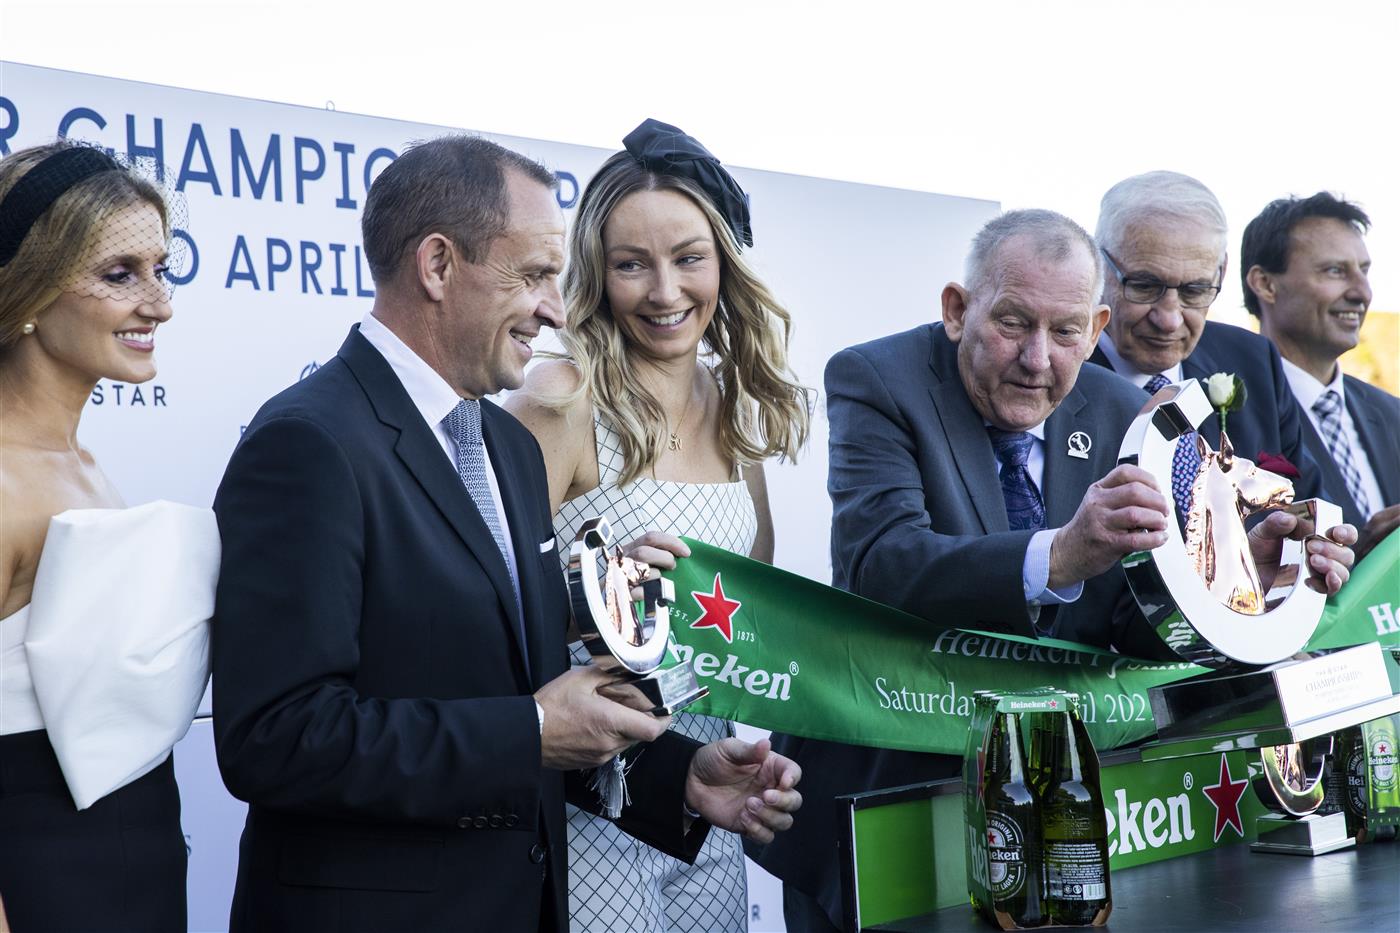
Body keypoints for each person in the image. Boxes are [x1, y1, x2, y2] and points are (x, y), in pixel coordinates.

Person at [210, 134, 802, 933]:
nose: (556, 309)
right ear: (438, 265)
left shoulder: (504, 447)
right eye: (531, 277)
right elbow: (276, 739)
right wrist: (531, 730)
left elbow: (516, 677)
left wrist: (680, 777)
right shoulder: (309, 442)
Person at [753, 209, 1356, 932]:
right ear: (957, 308)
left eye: (1067, 332)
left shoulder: (1126, 412)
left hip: (1061, 816)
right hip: (890, 803)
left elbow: (1135, 620)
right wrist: (1060, 554)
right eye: (1013, 323)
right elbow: (879, 563)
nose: (1038, 358)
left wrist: (1236, 577)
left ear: (1097, 325)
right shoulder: (877, 378)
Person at [506, 119, 812, 933]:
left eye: (688, 258)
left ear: (725, 262)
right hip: (591, 805)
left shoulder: (737, 408)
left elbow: (747, 610)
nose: (665, 291)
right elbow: (485, 605)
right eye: (631, 263)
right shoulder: (556, 401)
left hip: (709, 796)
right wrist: (594, 596)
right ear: (598, 275)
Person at [0, 141, 193, 931]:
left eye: (162, 268)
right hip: (41, 877)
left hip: (135, 865)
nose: (160, 303)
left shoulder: (81, 463)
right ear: (30, 290)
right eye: (120, 274)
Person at [1088, 171, 1324, 518]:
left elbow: (1310, 509)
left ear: (1222, 273)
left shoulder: (1253, 362)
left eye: (1194, 291)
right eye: (1144, 285)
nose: (1169, 318)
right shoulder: (1056, 371)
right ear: (1098, 267)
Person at [1241, 192, 1399, 559]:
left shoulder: (1392, 414)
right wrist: (1363, 554)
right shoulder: (1227, 421)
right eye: (1334, 271)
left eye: (1364, 270)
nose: (1362, 292)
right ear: (1265, 284)